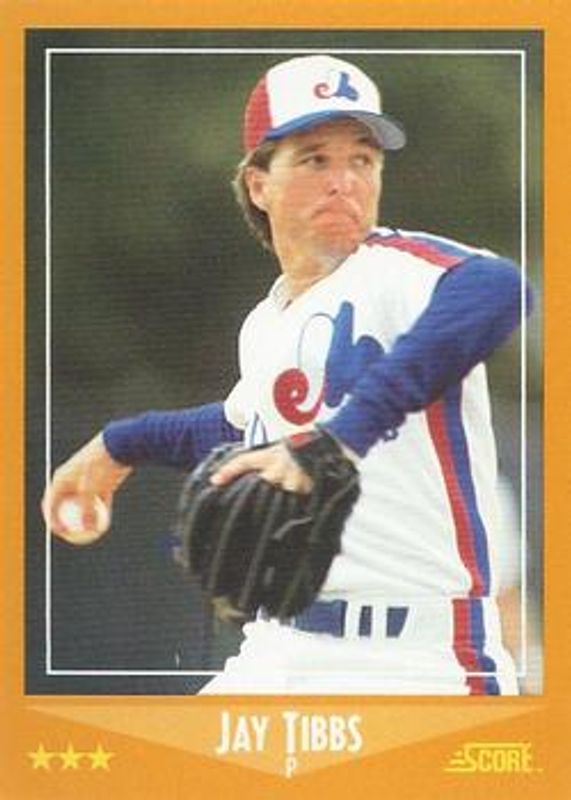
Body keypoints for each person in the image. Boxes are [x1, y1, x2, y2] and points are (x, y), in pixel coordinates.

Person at [43, 54, 531, 695]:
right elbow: (251, 429)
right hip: (279, 646)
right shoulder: (267, 321)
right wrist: (119, 444)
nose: (344, 181)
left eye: (363, 159)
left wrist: (336, 441)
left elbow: (502, 288)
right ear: (258, 185)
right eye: (314, 159)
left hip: (416, 660)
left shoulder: (401, 271)